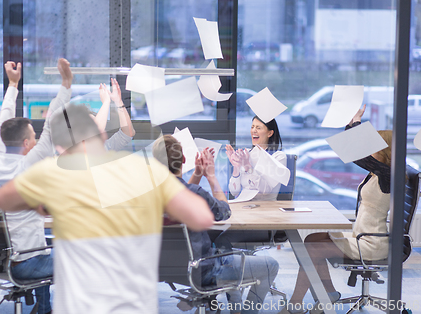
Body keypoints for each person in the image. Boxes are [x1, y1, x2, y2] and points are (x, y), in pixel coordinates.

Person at [0, 102, 214, 314]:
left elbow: (2, 199)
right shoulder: (142, 170)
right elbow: (202, 217)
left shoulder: (51, 171)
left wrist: (42, 204)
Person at [0, 59, 136, 314]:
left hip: (16, 256)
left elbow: (4, 124)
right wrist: (66, 84)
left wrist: (13, 85)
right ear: (25, 143)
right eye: (33, 137)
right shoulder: (31, 166)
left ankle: (44, 308)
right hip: (29, 260)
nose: (36, 139)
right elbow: (53, 122)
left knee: (47, 245)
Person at [278, 105, 393, 314]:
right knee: (312, 239)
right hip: (360, 235)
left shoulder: (388, 176)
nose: (370, 149)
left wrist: (356, 123)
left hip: (371, 242)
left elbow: (358, 155)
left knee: (312, 251)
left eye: (375, 146)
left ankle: (294, 305)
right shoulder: (376, 174)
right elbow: (358, 155)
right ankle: (328, 294)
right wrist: (350, 126)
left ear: (385, 152)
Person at [152, 135, 279, 314]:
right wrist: (210, 176)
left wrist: (196, 174)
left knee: (222, 249)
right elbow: (224, 212)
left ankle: (232, 306)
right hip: (205, 271)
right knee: (271, 265)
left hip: (167, 270)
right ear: (183, 160)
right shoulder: (195, 193)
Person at [226, 116, 286, 201]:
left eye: (258, 128)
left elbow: (266, 190)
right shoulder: (246, 154)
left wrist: (248, 167)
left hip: (267, 208)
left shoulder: (278, 157)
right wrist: (236, 167)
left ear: (270, 133)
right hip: (244, 206)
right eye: (252, 127)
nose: (254, 130)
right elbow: (234, 192)